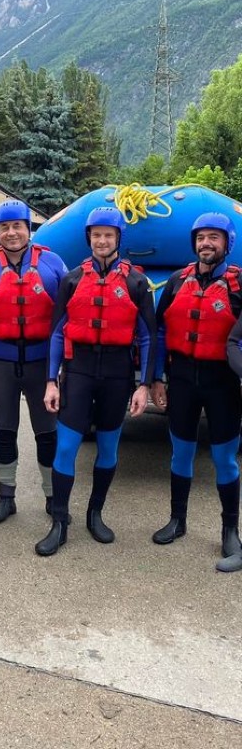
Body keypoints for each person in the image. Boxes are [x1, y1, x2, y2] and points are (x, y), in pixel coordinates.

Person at [36, 206, 156, 556]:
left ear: (118, 238)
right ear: (88, 237)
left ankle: (95, 513)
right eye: (96, 234)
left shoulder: (136, 282)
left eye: (109, 235)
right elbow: (57, 334)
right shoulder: (72, 279)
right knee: (67, 448)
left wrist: (144, 384)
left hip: (117, 375)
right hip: (78, 372)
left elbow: (148, 337)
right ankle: (59, 521)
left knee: (108, 449)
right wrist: (50, 381)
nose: (102, 240)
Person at [0, 200, 67, 524]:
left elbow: (66, 317)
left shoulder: (52, 264)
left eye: (17, 226)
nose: (11, 233)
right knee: (4, 432)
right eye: (4, 228)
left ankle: (52, 497)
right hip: (1, 364)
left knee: (46, 433)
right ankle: (6, 497)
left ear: (28, 228)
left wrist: (61, 367)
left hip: (42, 365)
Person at [149, 213, 242, 570]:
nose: (206, 243)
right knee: (180, 453)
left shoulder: (237, 286)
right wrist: (156, 377)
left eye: (214, 238)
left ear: (226, 243)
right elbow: (158, 333)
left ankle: (230, 530)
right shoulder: (176, 281)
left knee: (224, 460)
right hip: (183, 380)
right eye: (201, 237)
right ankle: (178, 519)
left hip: (223, 383)